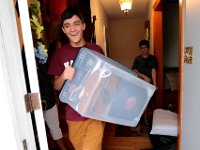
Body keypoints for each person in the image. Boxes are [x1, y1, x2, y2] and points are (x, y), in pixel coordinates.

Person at [48, 7, 105, 150]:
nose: (72, 29)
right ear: (63, 30)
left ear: (84, 25)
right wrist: (63, 76)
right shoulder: (59, 55)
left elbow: (105, 77)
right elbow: (56, 86)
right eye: (67, 25)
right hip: (73, 116)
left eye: (76, 23)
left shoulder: (97, 50)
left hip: (95, 113)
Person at [35, 42, 67, 150]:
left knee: (55, 128)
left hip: (49, 100)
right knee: (38, 131)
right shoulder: (27, 69)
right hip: (36, 103)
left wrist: (54, 97)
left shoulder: (46, 64)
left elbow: (51, 82)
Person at [131, 39, 157, 124]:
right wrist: (144, 76)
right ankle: (137, 118)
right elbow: (134, 71)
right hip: (140, 84)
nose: (143, 50)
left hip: (149, 85)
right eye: (141, 48)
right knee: (139, 102)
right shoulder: (137, 59)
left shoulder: (153, 58)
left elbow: (153, 71)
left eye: (145, 48)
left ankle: (145, 118)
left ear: (148, 48)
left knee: (147, 102)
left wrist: (155, 84)